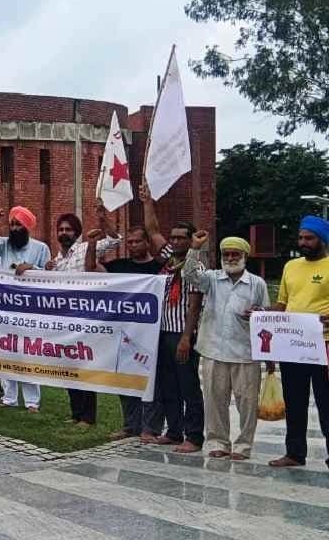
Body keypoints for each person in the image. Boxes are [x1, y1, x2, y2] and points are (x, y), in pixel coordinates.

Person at [183, 233, 269, 460]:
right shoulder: (211, 278)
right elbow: (189, 275)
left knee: (247, 404)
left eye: (235, 254)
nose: (230, 258)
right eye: (226, 254)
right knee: (214, 401)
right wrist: (195, 248)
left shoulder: (257, 283)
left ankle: (243, 446)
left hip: (246, 353)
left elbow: (266, 317)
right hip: (214, 350)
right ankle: (218, 442)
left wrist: (259, 313)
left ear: (245, 256)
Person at [139, 185, 205, 453]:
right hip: (163, 332)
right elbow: (153, 231)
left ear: (191, 240)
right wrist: (147, 202)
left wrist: (186, 338)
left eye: (181, 238)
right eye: (173, 237)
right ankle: (174, 431)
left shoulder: (195, 267)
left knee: (189, 386)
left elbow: (194, 305)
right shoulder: (169, 261)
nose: (175, 242)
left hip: (183, 333)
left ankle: (194, 436)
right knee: (169, 385)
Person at [87, 225, 166, 441]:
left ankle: (150, 428)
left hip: (152, 333)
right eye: (129, 242)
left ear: (147, 242)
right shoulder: (120, 266)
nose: (132, 245)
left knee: (152, 383)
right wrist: (92, 243)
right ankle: (131, 426)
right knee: (126, 380)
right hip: (125, 335)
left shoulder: (159, 267)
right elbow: (91, 269)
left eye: (137, 241)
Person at [47, 208, 119, 427]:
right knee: (69, 367)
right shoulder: (57, 260)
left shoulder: (86, 248)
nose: (64, 233)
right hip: (65, 320)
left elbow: (115, 240)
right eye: (61, 230)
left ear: (76, 233)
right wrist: (44, 270)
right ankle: (76, 413)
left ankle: (88, 417)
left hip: (85, 318)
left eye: (68, 230)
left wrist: (103, 220)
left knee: (85, 366)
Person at [267, 216, 329, 469]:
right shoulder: (291, 266)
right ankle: (294, 453)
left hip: (324, 345)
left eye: (309, 238)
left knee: (326, 403)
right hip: (292, 345)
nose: (303, 242)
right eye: (301, 238)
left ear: (322, 240)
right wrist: (262, 315)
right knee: (294, 401)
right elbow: (282, 304)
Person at [0, 206, 51, 412]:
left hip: (29, 310)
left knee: (28, 354)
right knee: (6, 352)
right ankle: (9, 398)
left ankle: (32, 402)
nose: (15, 228)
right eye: (12, 224)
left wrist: (32, 268)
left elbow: (50, 276)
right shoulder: (4, 245)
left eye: (19, 224)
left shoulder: (41, 248)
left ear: (27, 227)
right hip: (5, 308)